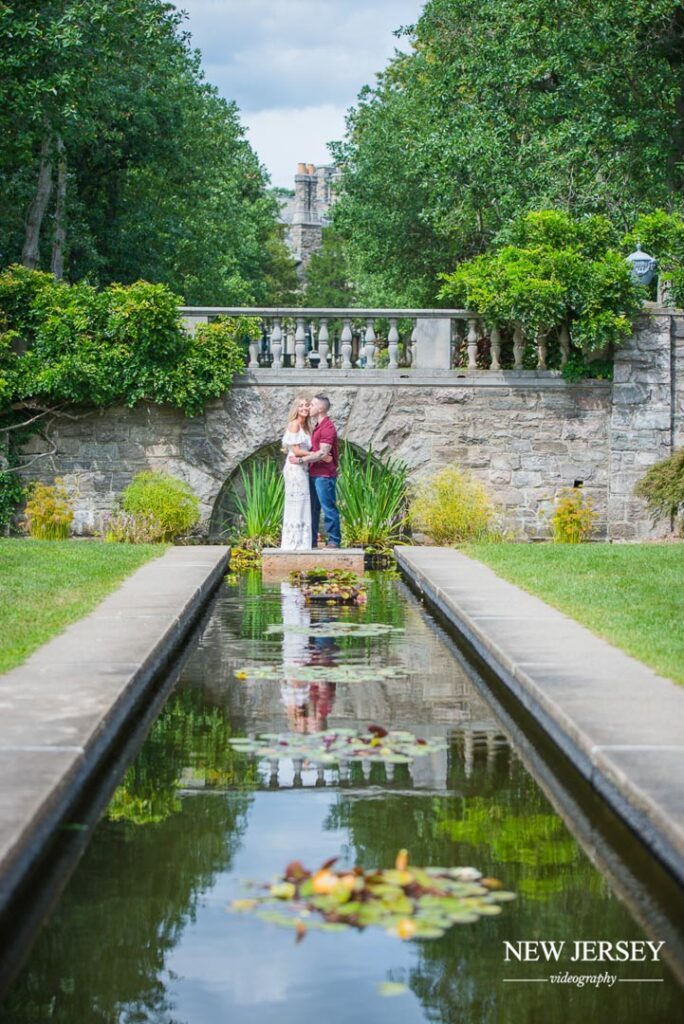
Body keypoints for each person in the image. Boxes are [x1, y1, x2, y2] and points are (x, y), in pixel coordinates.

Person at [290, 393, 341, 548]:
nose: (308, 407)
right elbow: (319, 453)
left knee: (328, 507)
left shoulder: (328, 427)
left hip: (324, 476)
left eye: (311, 405)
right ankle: (310, 541)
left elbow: (323, 453)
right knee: (312, 510)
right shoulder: (317, 426)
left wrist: (301, 460)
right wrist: (316, 456)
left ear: (319, 408)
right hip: (314, 473)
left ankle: (334, 540)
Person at [280, 395, 314, 551]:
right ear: (296, 408)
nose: (305, 408)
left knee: (303, 503)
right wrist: (317, 455)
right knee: (296, 503)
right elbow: (295, 450)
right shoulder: (294, 425)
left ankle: (303, 542)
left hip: (303, 466)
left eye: (306, 405)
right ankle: (293, 542)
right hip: (294, 467)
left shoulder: (307, 426)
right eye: (301, 406)